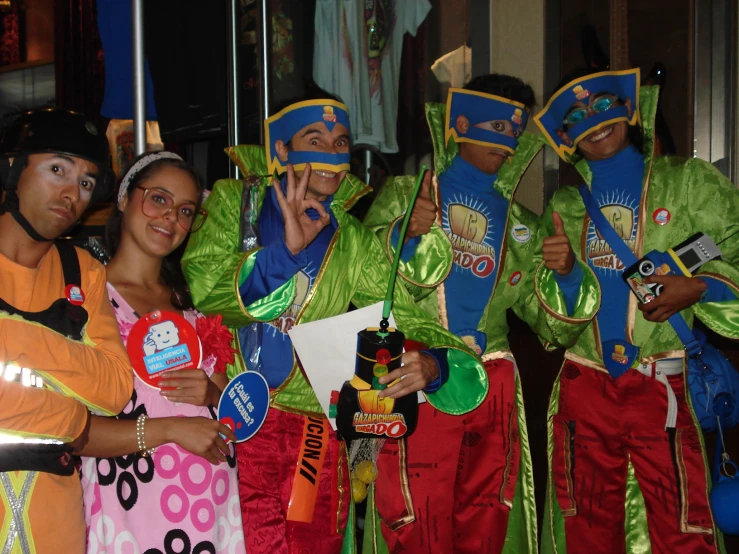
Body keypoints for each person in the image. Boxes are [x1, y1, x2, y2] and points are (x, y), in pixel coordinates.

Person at [181, 88, 488, 554]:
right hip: (226, 418)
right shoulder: (234, 203)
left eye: (341, 142)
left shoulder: (354, 239)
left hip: (311, 436)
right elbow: (205, 286)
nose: (330, 154)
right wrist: (283, 254)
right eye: (314, 139)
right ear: (281, 149)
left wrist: (436, 365)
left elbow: (402, 315)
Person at [363, 74, 600, 553]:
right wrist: (400, 234)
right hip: (411, 377)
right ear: (460, 124)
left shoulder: (524, 225)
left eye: (515, 129)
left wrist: (570, 274)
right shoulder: (406, 195)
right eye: (496, 124)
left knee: (488, 523)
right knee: (412, 522)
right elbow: (358, 277)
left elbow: (550, 326)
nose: (508, 140)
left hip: (493, 388)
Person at [533, 68, 739, 554]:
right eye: (577, 116)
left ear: (629, 108)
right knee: (584, 525)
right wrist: (561, 277)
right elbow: (548, 330)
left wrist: (700, 287)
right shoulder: (564, 205)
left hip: (663, 382)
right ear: (565, 137)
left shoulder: (687, 183)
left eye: (603, 104)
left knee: (683, 527)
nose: (594, 120)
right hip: (584, 387)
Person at [78, 152, 245, 552]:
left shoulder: (195, 305)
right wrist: (171, 429)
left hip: (210, 504)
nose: (171, 218)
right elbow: (72, 432)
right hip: (130, 507)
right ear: (123, 198)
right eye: (158, 199)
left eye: (186, 210)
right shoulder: (86, 296)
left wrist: (212, 394)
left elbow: (233, 414)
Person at [0, 108, 134, 552]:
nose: (71, 193)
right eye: (57, 168)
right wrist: (75, 420)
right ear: (13, 168)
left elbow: (114, 388)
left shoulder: (82, 271)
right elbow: (89, 404)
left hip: (57, 520)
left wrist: (13, 336)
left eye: (86, 181)